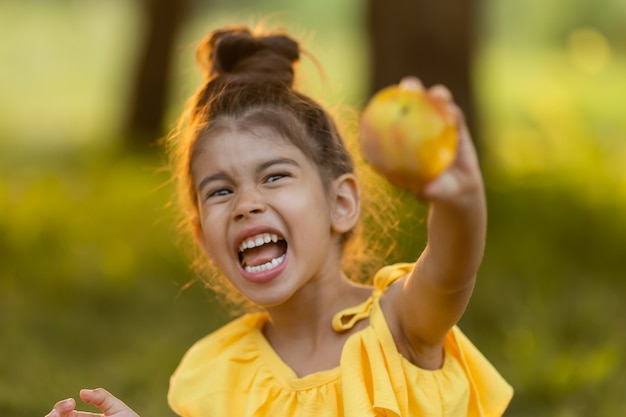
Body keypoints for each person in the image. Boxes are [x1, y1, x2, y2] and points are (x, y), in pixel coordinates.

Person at [46, 25, 513, 417]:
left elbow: (451, 269)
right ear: (204, 241)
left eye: (274, 176)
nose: (246, 204)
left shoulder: (401, 325)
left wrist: (461, 199)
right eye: (221, 190)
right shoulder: (216, 372)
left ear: (341, 202)